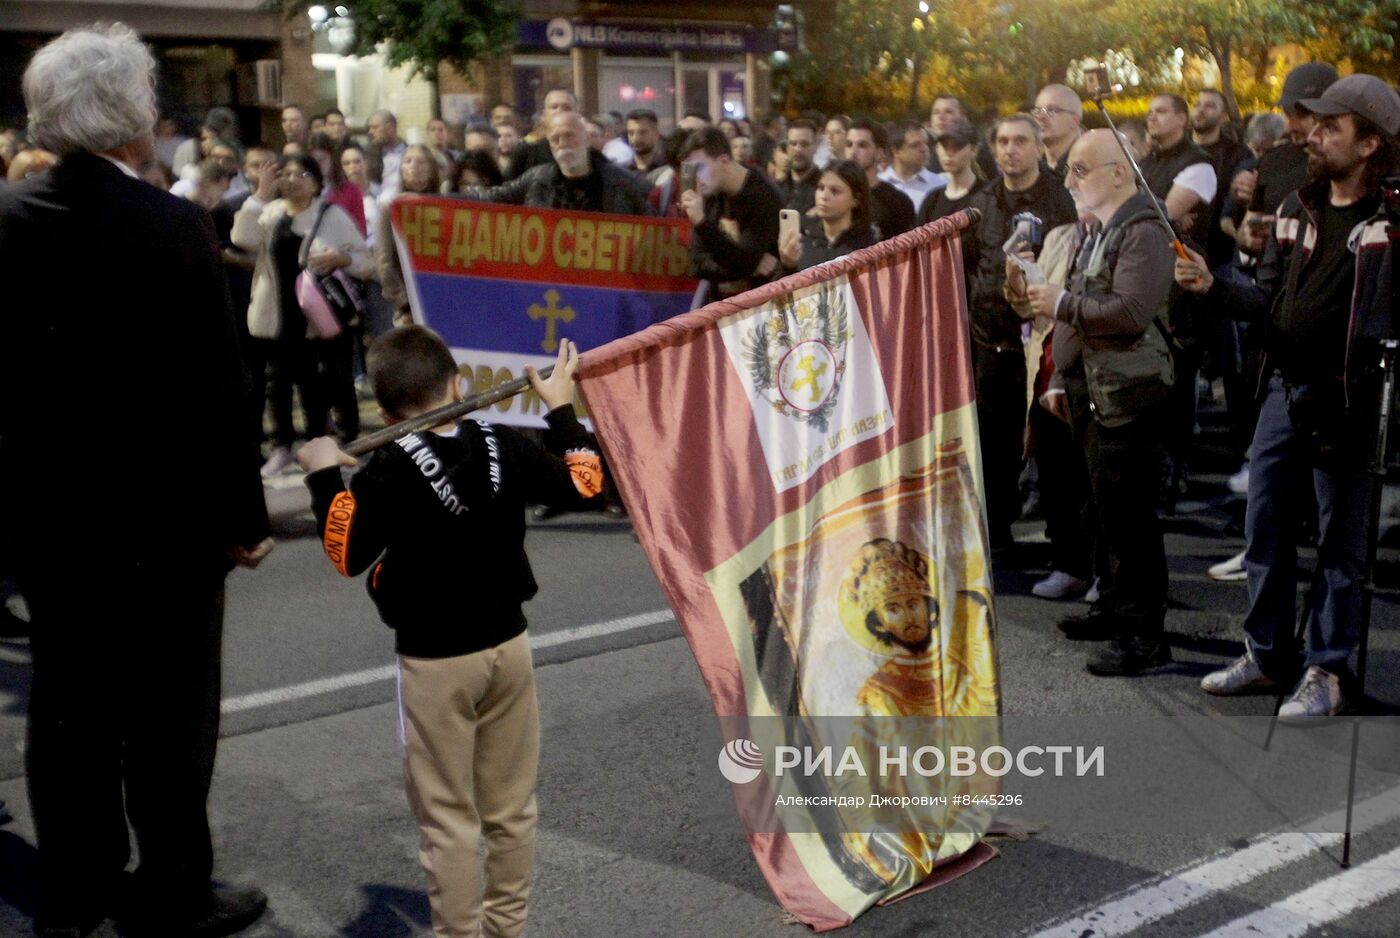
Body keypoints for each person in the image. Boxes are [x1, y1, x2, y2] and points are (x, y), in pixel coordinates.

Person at [0, 23, 273, 936]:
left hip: (52, 525)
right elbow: (218, 390)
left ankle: (73, 895)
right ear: (129, 120)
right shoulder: (171, 225)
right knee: (170, 726)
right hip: (167, 530)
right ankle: (171, 894)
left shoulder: (11, 222)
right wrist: (244, 514)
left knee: (70, 713)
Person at [297, 327, 605, 938]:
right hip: (509, 650)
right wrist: (561, 409)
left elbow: (345, 552)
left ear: (384, 412)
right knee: (511, 811)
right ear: (458, 384)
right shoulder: (504, 440)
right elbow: (586, 484)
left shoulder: (386, 468)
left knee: (448, 820)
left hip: (436, 664)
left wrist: (324, 478)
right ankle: (505, 930)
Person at [1174, 74, 1400, 719]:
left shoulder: (1392, 221)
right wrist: (1212, 286)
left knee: (1341, 546)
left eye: (1331, 126)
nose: (1313, 134)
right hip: (1284, 389)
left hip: (1354, 400)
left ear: (1369, 143)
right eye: (1313, 123)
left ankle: (1327, 671)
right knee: (1264, 526)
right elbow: (1265, 301)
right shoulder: (1298, 207)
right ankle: (1268, 656)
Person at [1015, 129, 1177, 675]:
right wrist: (1061, 375)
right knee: (1104, 512)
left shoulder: (1144, 231)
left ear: (1118, 172)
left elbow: (1130, 311)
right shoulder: (1103, 229)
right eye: (1070, 171)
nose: (1069, 181)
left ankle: (1145, 637)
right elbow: (1090, 306)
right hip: (1094, 389)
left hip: (1127, 395)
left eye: (1080, 171)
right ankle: (1114, 610)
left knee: (1129, 520)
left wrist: (1060, 303)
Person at [967, 113, 1077, 550]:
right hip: (991, 343)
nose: (1010, 149)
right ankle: (996, 535)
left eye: (1020, 141)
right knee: (993, 447)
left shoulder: (1059, 199)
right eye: (1003, 141)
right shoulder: (982, 200)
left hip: (1044, 343)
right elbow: (969, 264)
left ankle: (1065, 545)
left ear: (1036, 148)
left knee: (1052, 449)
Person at [234, 153, 372, 472]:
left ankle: (318, 445)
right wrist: (260, 193)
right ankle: (281, 446)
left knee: (319, 384)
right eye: (287, 174)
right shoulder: (270, 212)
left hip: (319, 318)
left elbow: (365, 262)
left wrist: (341, 258)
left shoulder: (332, 215)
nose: (293, 180)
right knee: (277, 383)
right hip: (277, 313)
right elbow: (242, 239)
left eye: (302, 175)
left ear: (317, 182)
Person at [459, 112, 650, 215]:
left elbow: (656, 228)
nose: (562, 143)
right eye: (555, 138)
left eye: (569, 135)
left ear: (586, 138)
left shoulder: (621, 182)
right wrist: (434, 201)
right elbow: (492, 198)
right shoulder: (537, 178)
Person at [680, 125, 782, 302]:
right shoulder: (710, 192)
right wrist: (748, 266)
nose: (697, 179)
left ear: (724, 161)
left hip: (758, 310)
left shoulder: (762, 197)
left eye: (700, 168)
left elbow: (742, 262)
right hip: (718, 307)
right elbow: (696, 264)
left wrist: (702, 223)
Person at [778, 159, 877, 271]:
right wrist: (788, 266)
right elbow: (778, 287)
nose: (824, 196)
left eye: (835, 191)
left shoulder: (867, 247)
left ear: (856, 200)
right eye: (820, 188)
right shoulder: (803, 237)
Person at [846, 118, 915, 240]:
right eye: (849, 144)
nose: (853, 152)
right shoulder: (831, 195)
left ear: (879, 153)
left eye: (862, 145)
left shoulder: (897, 202)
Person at [919, 117, 986, 224]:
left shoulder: (988, 197)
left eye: (957, 146)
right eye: (944, 146)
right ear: (937, 148)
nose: (949, 153)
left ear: (973, 150)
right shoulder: (932, 201)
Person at [878, 120, 946, 214]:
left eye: (926, 143)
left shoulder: (941, 186)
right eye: (915, 145)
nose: (924, 149)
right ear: (896, 151)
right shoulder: (877, 184)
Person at [1032, 83, 1084, 177]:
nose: (1041, 117)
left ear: (1074, 121)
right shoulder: (1032, 167)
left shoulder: (1088, 167)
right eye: (1038, 111)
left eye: (1051, 110)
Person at [777, 119, 823, 213]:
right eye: (793, 144)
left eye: (804, 144)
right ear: (787, 148)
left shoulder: (824, 188)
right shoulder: (777, 189)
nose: (798, 149)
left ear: (815, 146)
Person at [367, 109, 407, 200]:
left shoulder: (409, 152)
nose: (370, 132)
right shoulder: (369, 155)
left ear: (390, 128)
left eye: (375, 127)